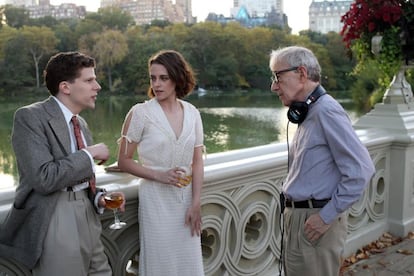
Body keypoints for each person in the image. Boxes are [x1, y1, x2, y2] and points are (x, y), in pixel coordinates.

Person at [0, 51, 124, 275]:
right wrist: (88, 154)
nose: (97, 86)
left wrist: (98, 196)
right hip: (54, 216)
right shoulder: (29, 117)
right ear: (66, 87)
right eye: (89, 80)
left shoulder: (81, 123)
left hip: (89, 215)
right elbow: (43, 178)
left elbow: (81, 177)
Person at [269, 46, 375, 276]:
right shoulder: (309, 112)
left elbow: (361, 169)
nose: (274, 86)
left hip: (314, 222)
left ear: (302, 73)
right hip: (302, 219)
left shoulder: (326, 111)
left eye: (278, 77)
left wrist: (325, 217)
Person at [117, 49, 205, 275]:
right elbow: (124, 161)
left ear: (177, 78)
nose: (157, 84)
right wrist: (159, 175)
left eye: (163, 78)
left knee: (188, 264)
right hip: (155, 200)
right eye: (153, 78)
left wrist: (196, 203)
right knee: (161, 264)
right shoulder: (140, 114)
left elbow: (197, 162)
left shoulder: (193, 113)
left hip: (185, 200)